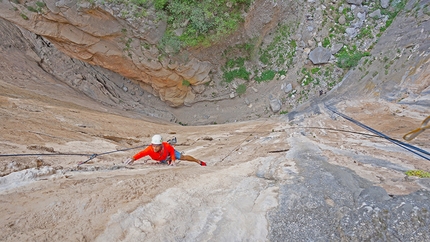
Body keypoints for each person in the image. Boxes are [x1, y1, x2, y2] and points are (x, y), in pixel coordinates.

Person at [124, 134, 207, 166]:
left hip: (168, 154)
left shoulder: (166, 146)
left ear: (161, 145)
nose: (155, 148)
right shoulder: (149, 149)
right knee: (164, 163)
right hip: (162, 158)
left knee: (183, 157)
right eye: (154, 146)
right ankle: (169, 161)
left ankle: (198, 161)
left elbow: (171, 152)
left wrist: (173, 160)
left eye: (157, 146)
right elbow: (141, 154)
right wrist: (132, 159)